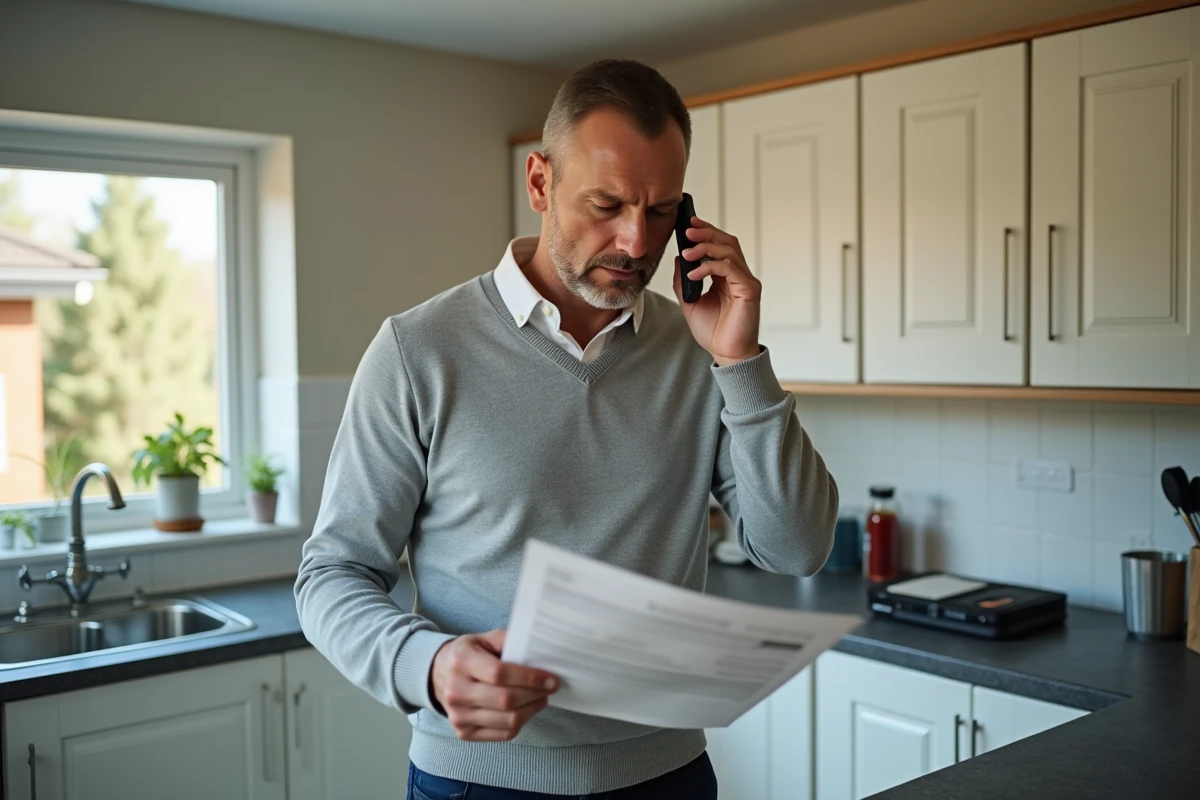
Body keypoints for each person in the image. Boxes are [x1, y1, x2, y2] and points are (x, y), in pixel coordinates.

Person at [295, 58, 838, 800]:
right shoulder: (419, 350)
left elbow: (797, 548)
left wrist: (740, 359)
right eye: (607, 204)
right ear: (540, 182)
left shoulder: (699, 352)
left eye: (660, 211)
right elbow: (332, 574)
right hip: (478, 781)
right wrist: (425, 662)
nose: (635, 242)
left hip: (668, 778)